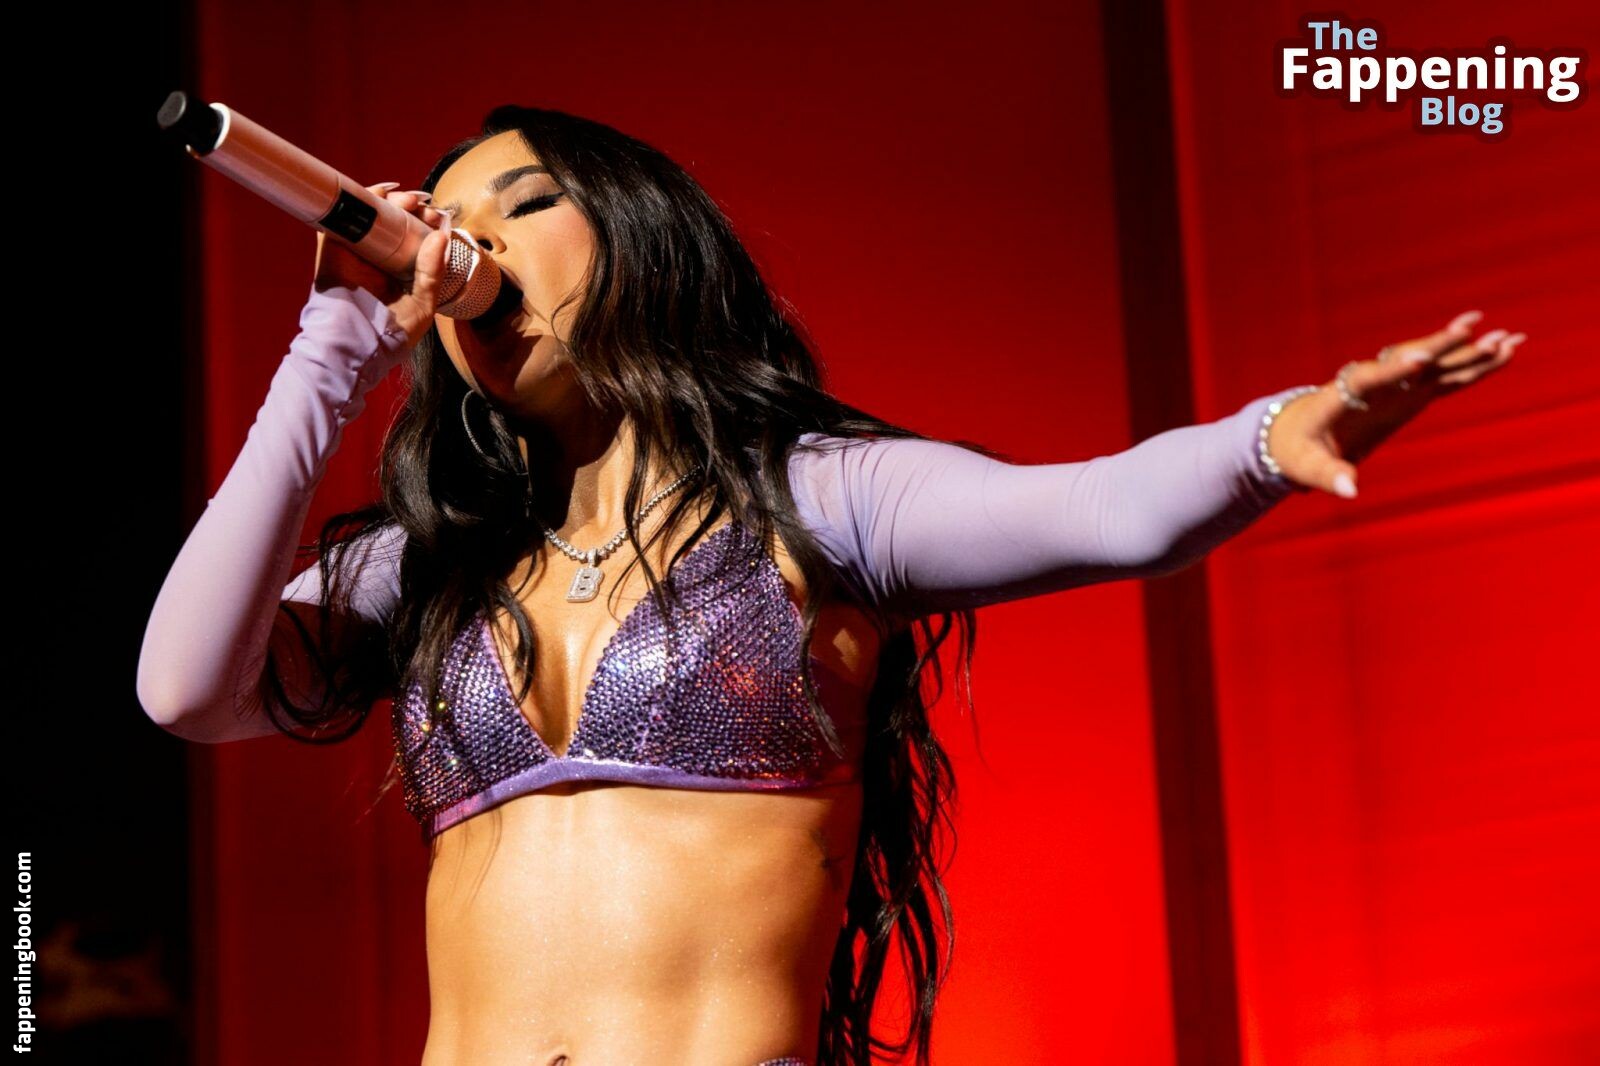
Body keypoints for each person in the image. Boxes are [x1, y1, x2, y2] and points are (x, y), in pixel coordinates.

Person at [135, 105, 1525, 1066]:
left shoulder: (815, 499)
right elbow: (185, 688)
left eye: (528, 202)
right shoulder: (429, 566)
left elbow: (1106, 507)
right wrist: (331, 343)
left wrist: (1279, 433)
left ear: (638, 233)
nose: (470, 250)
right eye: (449, 225)